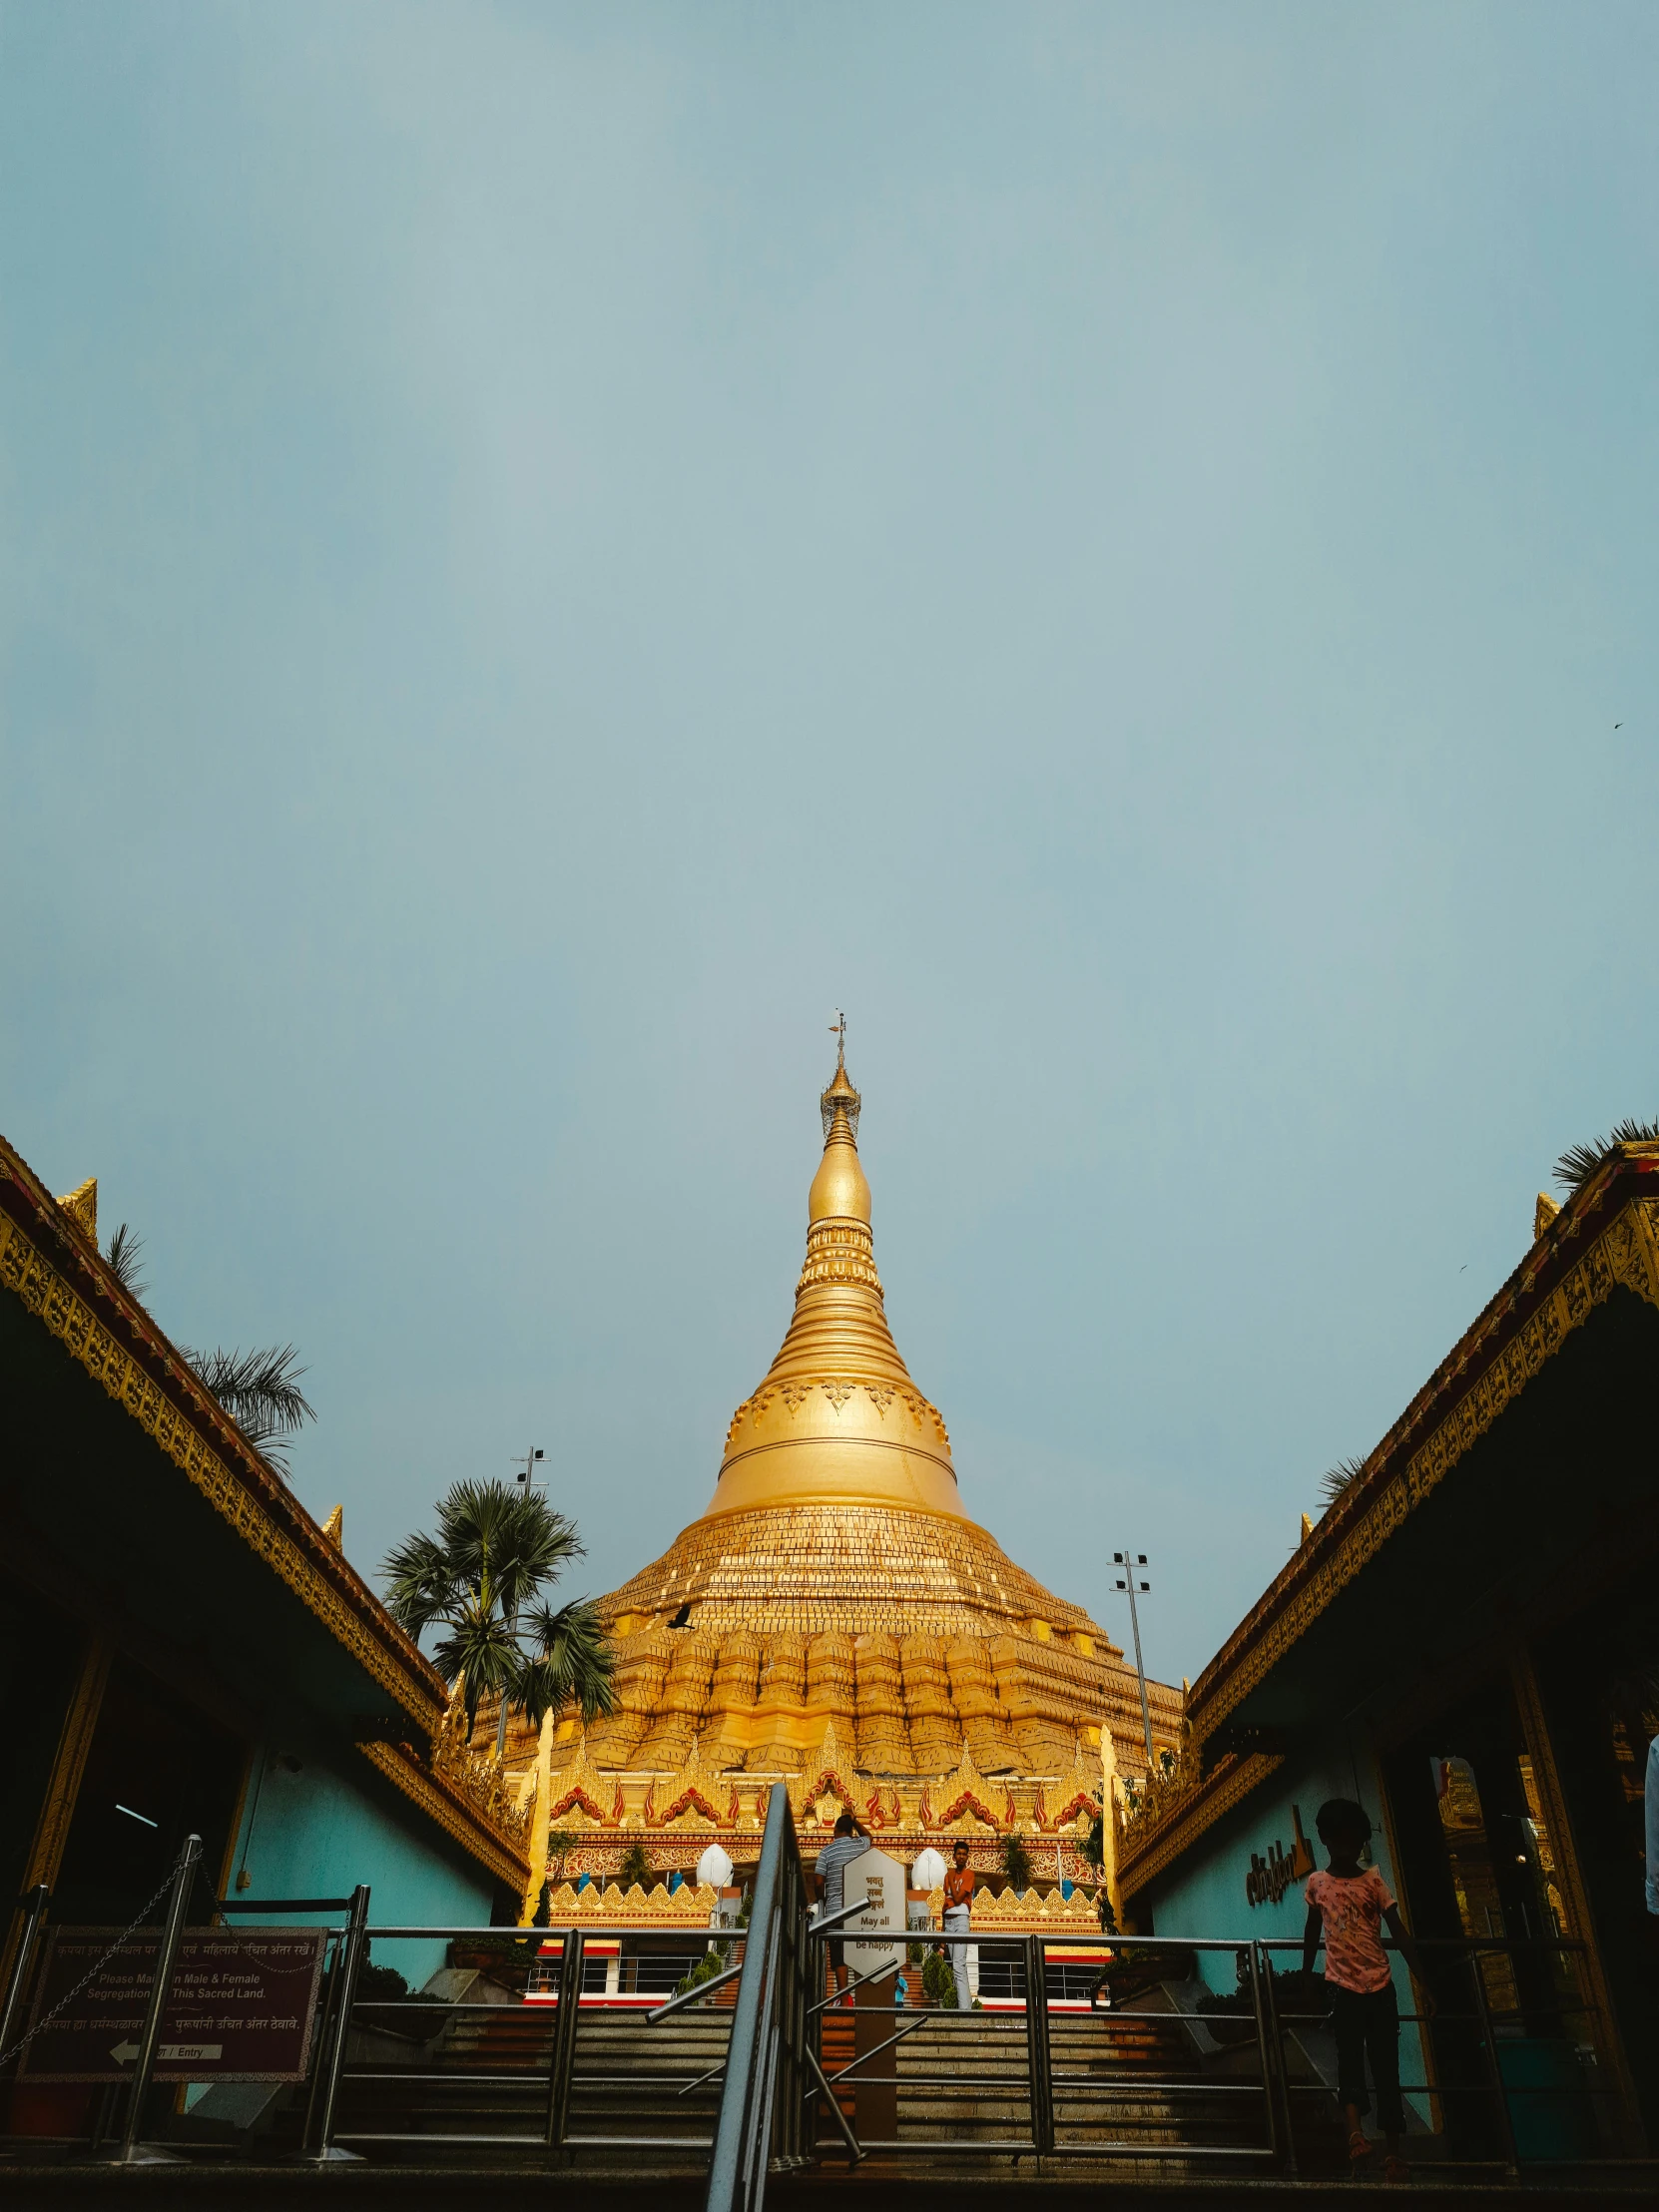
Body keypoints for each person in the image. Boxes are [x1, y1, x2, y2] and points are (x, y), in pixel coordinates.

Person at [1302, 1797, 1432, 2183]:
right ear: (1324, 1839)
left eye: (1352, 1839)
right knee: (1349, 2063)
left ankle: (1394, 2153)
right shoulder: (1317, 1884)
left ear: (1360, 1842)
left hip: (1380, 1988)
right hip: (1341, 1989)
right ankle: (1355, 2135)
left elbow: (1400, 1933)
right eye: (1337, 1839)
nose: (1345, 1847)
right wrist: (1307, 1976)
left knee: (1386, 2068)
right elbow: (1311, 1932)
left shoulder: (1373, 1881)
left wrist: (1423, 1981)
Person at [813, 1810, 869, 2004]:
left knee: (839, 1957)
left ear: (835, 1829)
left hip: (835, 1911)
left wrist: (823, 1900)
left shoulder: (826, 1852)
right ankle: (862, 1999)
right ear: (851, 1830)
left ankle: (844, 1997)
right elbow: (870, 1837)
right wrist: (855, 1821)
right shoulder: (860, 1845)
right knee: (859, 1952)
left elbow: (819, 1882)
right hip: (858, 1909)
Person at [943, 1840, 974, 2012]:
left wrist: (951, 1878)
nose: (961, 1857)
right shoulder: (948, 1876)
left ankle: (965, 2010)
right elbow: (945, 1904)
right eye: (959, 1854)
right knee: (955, 1966)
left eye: (964, 1854)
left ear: (967, 1857)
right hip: (949, 1920)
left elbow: (956, 1899)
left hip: (962, 1918)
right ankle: (965, 2006)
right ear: (953, 1856)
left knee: (958, 1965)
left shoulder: (969, 1875)